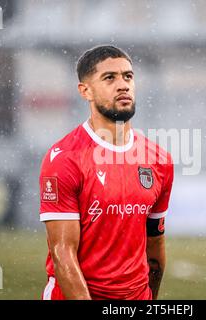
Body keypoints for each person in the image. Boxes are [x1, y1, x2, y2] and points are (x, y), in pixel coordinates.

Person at [39, 45, 174, 300]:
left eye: (128, 76)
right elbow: (63, 253)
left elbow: (155, 245)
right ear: (85, 90)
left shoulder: (159, 161)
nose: (123, 85)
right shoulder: (65, 158)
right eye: (109, 78)